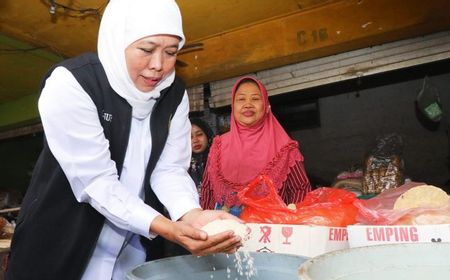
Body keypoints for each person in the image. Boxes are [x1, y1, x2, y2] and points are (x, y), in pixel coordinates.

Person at [6, 1, 241, 279]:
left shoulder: (173, 94)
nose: (158, 66)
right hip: (60, 243)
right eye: (146, 49)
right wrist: (166, 227)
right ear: (119, 41)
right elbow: (96, 181)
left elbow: (168, 169)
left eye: (170, 52)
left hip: (130, 247)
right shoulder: (73, 83)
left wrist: (190, 215)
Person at [200, 76, 312, 215]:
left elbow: (300, 189)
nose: (248, 104)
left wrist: (291, 224)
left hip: (271, 232)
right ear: (233, 106)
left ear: (265, 105)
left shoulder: (285, 148)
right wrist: (204, 227)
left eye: (255, 99)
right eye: (241, 99)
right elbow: (207, 190)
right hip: (224, 232)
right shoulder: (219, 145)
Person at [189, 118, 215, 194]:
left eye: (199, 134)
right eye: (190, 137)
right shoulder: (181, 165)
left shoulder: (219, 159)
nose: (195, 140)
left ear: (207, 135)